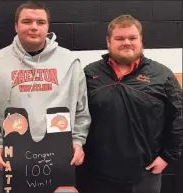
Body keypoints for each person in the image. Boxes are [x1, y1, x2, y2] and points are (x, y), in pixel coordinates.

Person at [0, 1, 91, 192]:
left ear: (47, 26)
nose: (34, 27)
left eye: (40, 22)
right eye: (27, 21)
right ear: (16, 26)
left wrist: (78, 142)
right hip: (12, 161)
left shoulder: (70, 62)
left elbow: (81, 110)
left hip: (60, 160)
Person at [78, 14, 183, 193]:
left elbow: (178, 118)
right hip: (96, 175)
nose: (126, 42)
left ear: (141, 40)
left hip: (144, 176)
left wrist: (167, 157)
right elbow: (76, 114)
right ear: (108, 41)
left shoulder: (162, 75)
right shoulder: (89, 74)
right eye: (119, 38)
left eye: (132, 38)